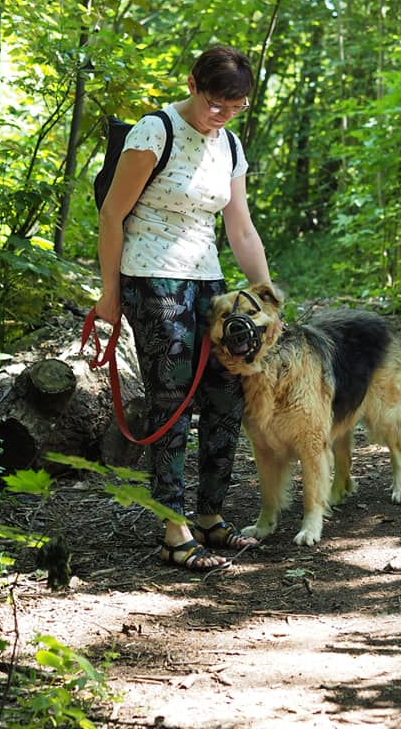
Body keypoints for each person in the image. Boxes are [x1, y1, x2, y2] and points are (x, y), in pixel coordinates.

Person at [94, 45, 272, 572]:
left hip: (208, 282)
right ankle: (173, 528)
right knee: (172, 401)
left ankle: (211, 516)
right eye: (217, 103)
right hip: (152, 277)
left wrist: (266, 296)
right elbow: (111, 215)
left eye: (236, 106)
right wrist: (109, 296)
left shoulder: (230, 145)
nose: (224, 114)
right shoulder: (155, 132)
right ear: (193, 84)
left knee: (227, 394)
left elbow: (239, 228)